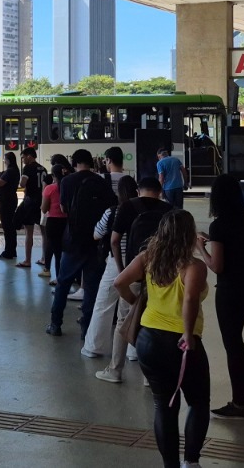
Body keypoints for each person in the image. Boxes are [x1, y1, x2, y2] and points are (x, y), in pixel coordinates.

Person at [114, 210, 211, 468]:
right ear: (188, 235)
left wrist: (136, 303)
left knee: (164, 405)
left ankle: (171, 465)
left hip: (148, 340)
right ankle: (191, 462)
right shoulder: (194, 266)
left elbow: (119, 282)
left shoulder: (148, 258)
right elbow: (190, 299)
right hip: (181, 342)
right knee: (199, 402)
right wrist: (188, 334)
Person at [92, 176, 172, 383]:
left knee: (124, 320)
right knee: (153, 323)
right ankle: (149, 377)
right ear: (160, 192)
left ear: (138, 190)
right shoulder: (168, 209)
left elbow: (114, 240)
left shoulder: (127, 206)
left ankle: (115, 370)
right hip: (160, 276)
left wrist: (123, 270)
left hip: (134, 272)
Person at [196, 174, 244, 419]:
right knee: (237, 342)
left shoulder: (219, 226)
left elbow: (217, 266)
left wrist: (201, 248)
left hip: (229, 289)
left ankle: (239, 402)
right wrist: (213, 240)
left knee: (232, 344)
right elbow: (239, 245)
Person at [49, 149, 117, 338]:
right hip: (96, 241)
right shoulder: (101, 182)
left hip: (73, 240)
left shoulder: (67, 181)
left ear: (75, 162)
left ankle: (55, 324)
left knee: (63, 283)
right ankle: (86, 329)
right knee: (92, 287)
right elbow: (110, 208)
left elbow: (63, 208)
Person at [84, 176, 139, 361]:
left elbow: (96, 234)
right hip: (138, 263)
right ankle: (133, 351)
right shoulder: (142, 212)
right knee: (133, 305)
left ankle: (94, 346)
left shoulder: (113, 211)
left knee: (104, 303)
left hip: (117, 262)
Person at [16, 148, 46, 268]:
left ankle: (27, 260)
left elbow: (22, 184)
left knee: (29, 232)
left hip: (30, 202)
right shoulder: (43, 168)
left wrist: (22, 181)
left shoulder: (27, 168)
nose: (23, 160)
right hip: (42, 201)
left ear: (29, 156)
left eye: (23, 157)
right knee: (44, 232)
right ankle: (44, 258)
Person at [39, 163, 69, 280]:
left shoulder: (50, 188)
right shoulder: (68, 186)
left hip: (53, 222)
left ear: (53, 176)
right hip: (66, 222)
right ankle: (63, 276)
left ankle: (57, 278)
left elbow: (44, 209)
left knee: (55, 250)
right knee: (63, 251)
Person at [0, 152, 21, 260]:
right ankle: (12, 250)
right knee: (11, 227)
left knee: (7, 227)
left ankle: (8, 252)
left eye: (4, 159)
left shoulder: (10, 171)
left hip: (5, 202)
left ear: (8, 160)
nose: (4, 161)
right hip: (12, 200)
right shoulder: (16, 170)